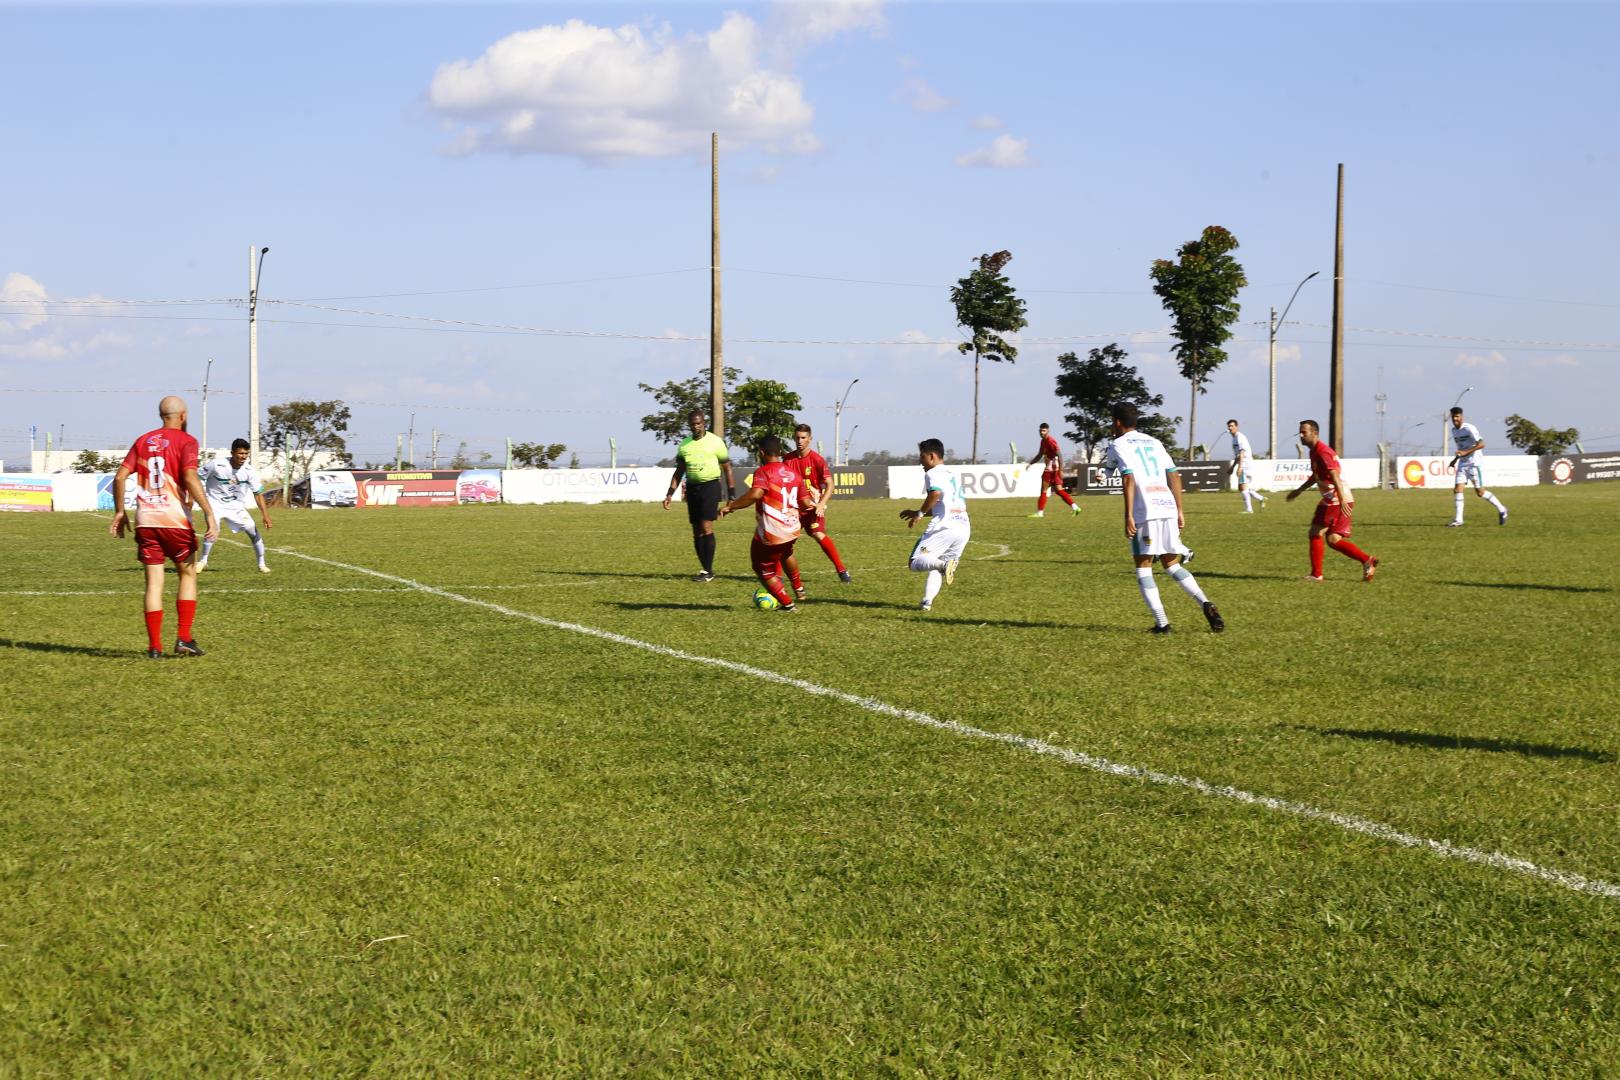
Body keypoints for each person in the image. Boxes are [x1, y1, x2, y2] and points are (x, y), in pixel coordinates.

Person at [108, 395, 219, 658]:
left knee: (154, 584)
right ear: (183, 416)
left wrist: (120, 511)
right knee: (188, 574)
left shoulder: (143, 440)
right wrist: (209, 512)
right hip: (174, 520)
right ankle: (183, 638)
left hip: (146, 520)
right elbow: (190, 476)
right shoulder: (187, 441)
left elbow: (120, 476)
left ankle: (154, 647)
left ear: (162, 416)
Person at [1102, 403, 1223, 633]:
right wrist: (1179, 509)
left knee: (1144, 567)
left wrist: (1128, 515)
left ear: (1117, 422)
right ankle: (1205, 602)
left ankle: (1162, 623)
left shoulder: (1118, 445)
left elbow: (1128, 479)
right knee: (1171, 563)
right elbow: (1174, 474)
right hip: (1166, 506)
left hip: (1145, 511)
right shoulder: (1154, 442)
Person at [718, 434, 803, 612]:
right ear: (780, 451)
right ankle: (799, 589)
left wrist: (731, 506)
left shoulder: (764, 472)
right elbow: (805, 500)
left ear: (761, 452)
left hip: (774, 531)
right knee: (786, 552)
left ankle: (788, 604)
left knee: (763, 569)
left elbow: (755, 494)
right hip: (793, 527)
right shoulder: (793, 473)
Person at [1286, 419, 1378, 582]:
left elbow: (1334, 474)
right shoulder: (1314, 452)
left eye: (1304, 432)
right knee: (1334, 540)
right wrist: (1299, 490)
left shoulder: (1322, 451)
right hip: (1340, 498)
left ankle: (1316, 575)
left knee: (1315, 532)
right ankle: (1367, 560)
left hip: (1335, 499)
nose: (1301, 435)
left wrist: (1341, 499)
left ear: (1315, 433)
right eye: (1300, 432)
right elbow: (1316, 476)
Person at [662, 410, 736, 582]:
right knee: (696, 530)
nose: (696, 426)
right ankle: (705, 569)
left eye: (698, 423)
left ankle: (708, 571)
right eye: (693, 424)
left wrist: (731, 494)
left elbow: (727, 468)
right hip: (692, 488)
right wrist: (669, 494)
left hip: (710, 486)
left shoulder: (715, 442)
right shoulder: (685, 445)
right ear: (689, 425)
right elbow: (679, 471)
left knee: (706, 526)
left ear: (704, 423)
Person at [900, 438, 970, 612]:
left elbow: (935, 493)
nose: (920, 462)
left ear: (931, 456)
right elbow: (943, 504)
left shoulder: (932, 473)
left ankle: (944, 566)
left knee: (915, 561)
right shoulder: (951, 474)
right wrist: (918, 511)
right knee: (936, 562)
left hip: (945, 527)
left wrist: (921, 513)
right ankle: (927, 601)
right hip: (963, 527)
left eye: (922, 457)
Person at [784, 423, 851, 582]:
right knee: (784, 541)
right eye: (797, 438)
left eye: (803, 438)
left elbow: (830, 484)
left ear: (810, 439)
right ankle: (778, 576)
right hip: (794, 509)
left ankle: (841, 571)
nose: (800, 441)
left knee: (818, 533)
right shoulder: (787, 460)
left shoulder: (817, 460)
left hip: (813, 508)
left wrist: (821, 504)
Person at [197, 438, 273, 573]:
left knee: (253, 532)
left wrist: (265, 515)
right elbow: (197, 477)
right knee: (212, 531)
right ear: (232, 453)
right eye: (240, 453)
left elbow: (258, 494)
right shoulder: (216, 465)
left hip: (236, 507)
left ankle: (262, 564)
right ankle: (203, 561)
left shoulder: (250, 471)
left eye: (246, 454)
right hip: (215, 504)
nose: (243, 457)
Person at [1446, 407, 1508, 527]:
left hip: (1474, 463)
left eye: (1457, 416)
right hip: (1462, 463)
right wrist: (1455, 460)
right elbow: (1462, 448)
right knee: (1457, 489)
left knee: (1480, 493)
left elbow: (1481, 444)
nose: (1455, 419)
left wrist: (1466, 453)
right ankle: (1458, 520)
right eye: (1453, 417)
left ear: (1462, 417)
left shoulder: (1469, 428)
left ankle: (1502, 509)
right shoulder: (1454, 431)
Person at [1024, 422, 1081, 518]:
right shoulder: (1043, 441)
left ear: (1048, 431)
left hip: (1051, 469)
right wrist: (1031, 463)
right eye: (1040, 430)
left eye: (1044, 430)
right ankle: (1075, 507)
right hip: (1054, 469)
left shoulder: (1051, 441)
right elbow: (1039, 455)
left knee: (1044, 490)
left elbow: (1059, 455)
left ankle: (1040, 513)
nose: (1042, 432)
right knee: (1059, 490)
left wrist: (1061, 470)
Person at [1226, 418, 1268, 513]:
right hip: (1244, 463)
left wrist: (1240, 467)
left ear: (1237, 427)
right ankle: (1261, 498)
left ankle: (1249, 510)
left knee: (1242, 487)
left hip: (1245, 464)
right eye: (1229, 426)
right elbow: (1238, 455)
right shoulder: (1234, 439)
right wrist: (1232, 467)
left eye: (1232, 426)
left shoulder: (1240, 437)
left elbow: (1242, 452)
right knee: (1244, 487)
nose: (1230, 428)